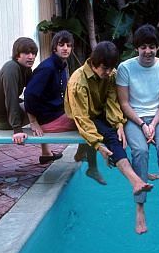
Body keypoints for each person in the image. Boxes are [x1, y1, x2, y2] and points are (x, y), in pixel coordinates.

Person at [116, 24, 159, 234]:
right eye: (143, 47)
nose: (148, 51)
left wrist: (153, 124)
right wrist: (143, 125)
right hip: (134, 119)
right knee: (140, 151)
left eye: (152, 47)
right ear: (137, 48)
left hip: (158, 118)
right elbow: (124, 104)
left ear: (158, 48)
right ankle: (140, 208)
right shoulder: (125, 68)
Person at [64, 41, 153, 196]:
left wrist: (118, 123)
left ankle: (138, 172)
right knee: (111, 137)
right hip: (84, 116)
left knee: (127, 128)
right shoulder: (78, 82)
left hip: (101, 112)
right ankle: (135, 181)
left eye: (111, 68)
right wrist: (98, 144)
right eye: (105, 68)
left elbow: (113, 100)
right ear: (93, 62)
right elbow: (82, 118)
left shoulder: (111, 73)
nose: (109, 72)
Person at [24, 31, 104, 183]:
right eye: (61, 45)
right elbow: (29, 94)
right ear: (54, 48)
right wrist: (34, 122)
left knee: (87, 113)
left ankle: (81, 153)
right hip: (48, 120)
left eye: (68, 45)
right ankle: (91, 166)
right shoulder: (47, 68)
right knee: (90, 121)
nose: (65, 48)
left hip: (57, 113)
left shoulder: (61, 65)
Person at [0, 37, 60, 162]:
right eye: (26, 53)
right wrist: (17, 130)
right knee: (39, 107)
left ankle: (46, 153)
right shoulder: (11, 68)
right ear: (17, 55)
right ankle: (46, 153)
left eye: (33, 53)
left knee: (38, 102)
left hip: (2, 114)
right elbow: (11, 99)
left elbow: (35, 92)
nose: (31, 57)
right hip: (1, 119)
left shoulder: (25, 69)